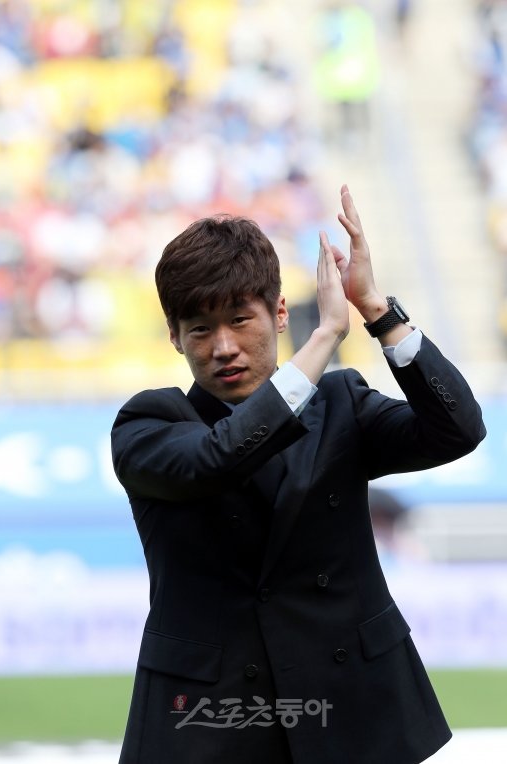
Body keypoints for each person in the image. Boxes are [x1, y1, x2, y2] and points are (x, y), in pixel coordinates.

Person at [111, 185, 486, 764]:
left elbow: (457, 430)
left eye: (240, 319)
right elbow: (218, 458)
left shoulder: (341, 403)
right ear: (174, 336)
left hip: (353, 708)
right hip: (212, 721)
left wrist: (378, 311)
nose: (224, 347)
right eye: (201, 328)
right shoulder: (148, 422)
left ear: (280, 313)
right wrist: (324, 338)